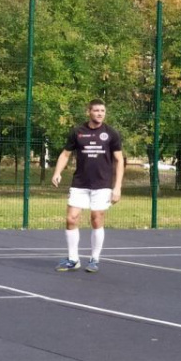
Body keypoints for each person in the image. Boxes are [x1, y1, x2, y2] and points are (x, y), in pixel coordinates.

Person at [52, 99, 124, 273]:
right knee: (71, 219)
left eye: (103, 111)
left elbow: (119, 160)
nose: (100, 113)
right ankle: (73, 259)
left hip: (102, 184)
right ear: (89, 112)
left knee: (96, 218)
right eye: (96, 110)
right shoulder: (77, 132)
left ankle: (94, 259)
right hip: (80, 183)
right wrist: (57, 172)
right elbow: (65, 154)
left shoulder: (111, 133)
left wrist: (117, 187)